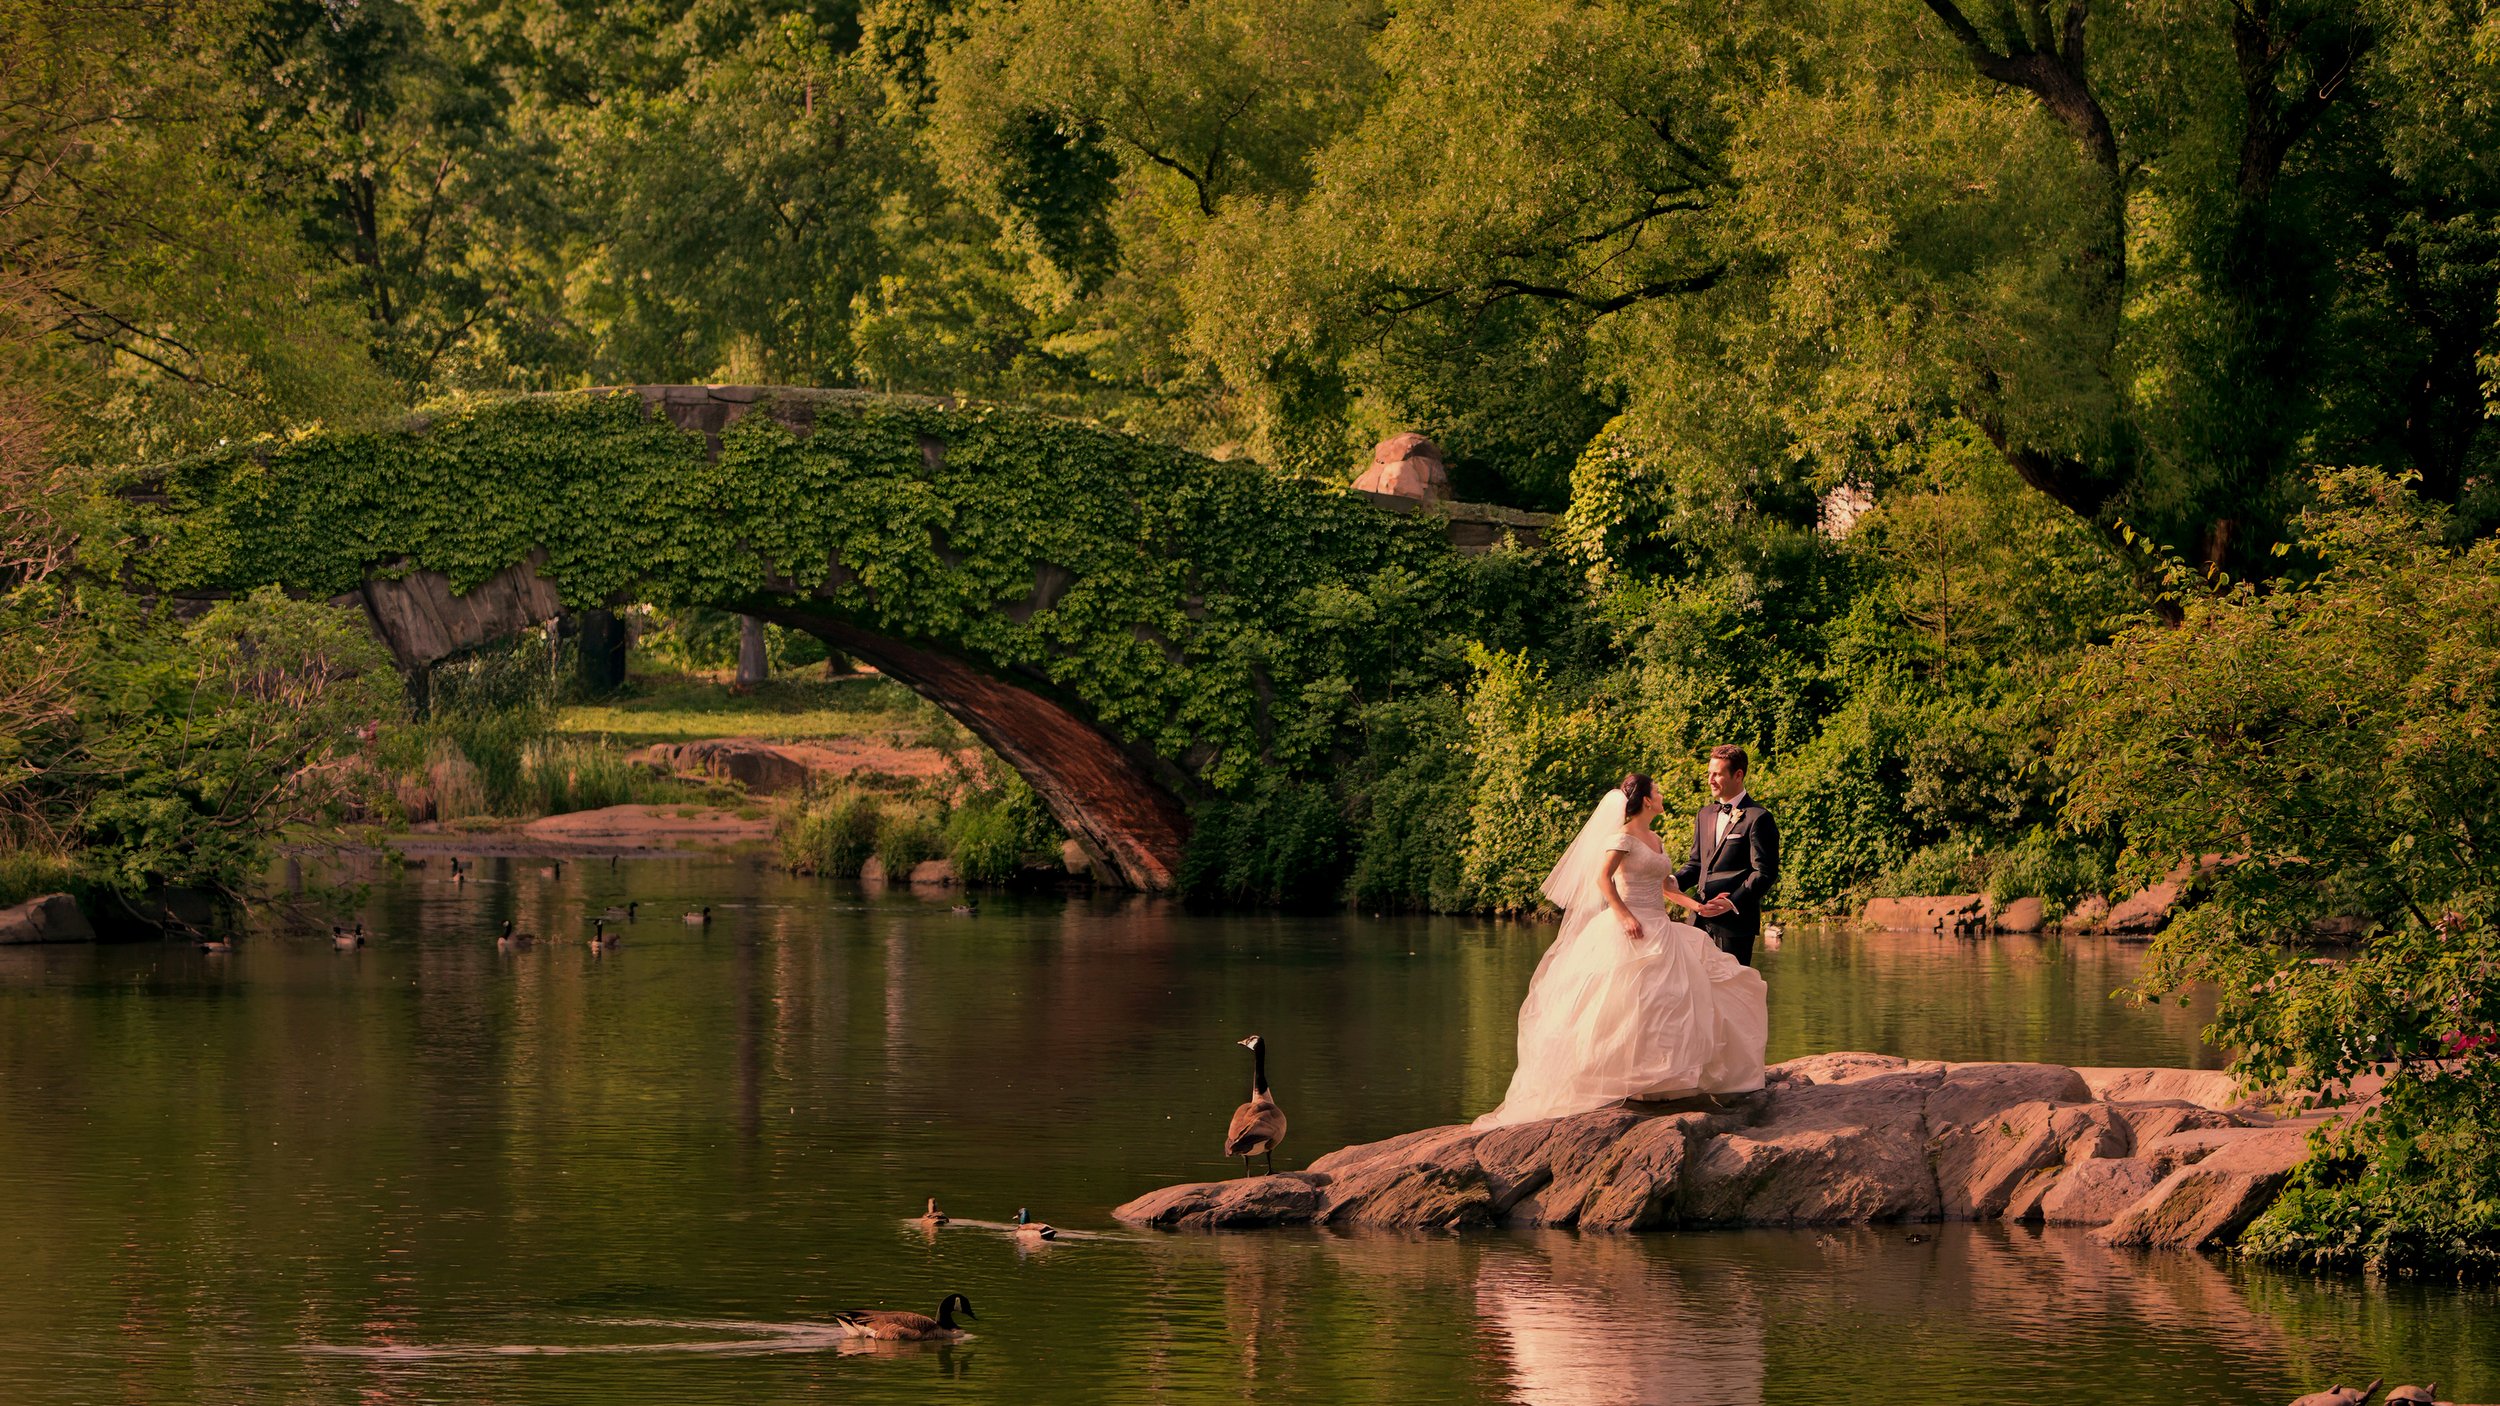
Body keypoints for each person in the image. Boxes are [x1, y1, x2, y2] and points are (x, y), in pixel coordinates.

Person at [1473, 772, 1769, 1129]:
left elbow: (1666, 888)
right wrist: (1624, 915)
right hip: (1629, 926)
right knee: (1626, 1004)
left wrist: (1698, 907)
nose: (1661, 794)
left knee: (1673, 1001)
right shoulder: (1622, 837)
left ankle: (1663, 1081)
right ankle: (1624, 1080)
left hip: (1660, 926)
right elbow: (1603, 879)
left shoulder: (1656, 839)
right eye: (1656, 790)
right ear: (1645, 800)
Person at [1674, 744, 1779, 967]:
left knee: (1731, 994)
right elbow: (1696, 864)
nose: (1710, 780)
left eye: (1717, 774)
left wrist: (1731, 902)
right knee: (1695, 991)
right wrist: (1672, 882)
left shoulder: (1758, 817)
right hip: (1698, 921)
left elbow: (1765, 872)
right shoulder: (1704, 814)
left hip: (1735, 927)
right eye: (1709, 773)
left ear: (1738, 775)